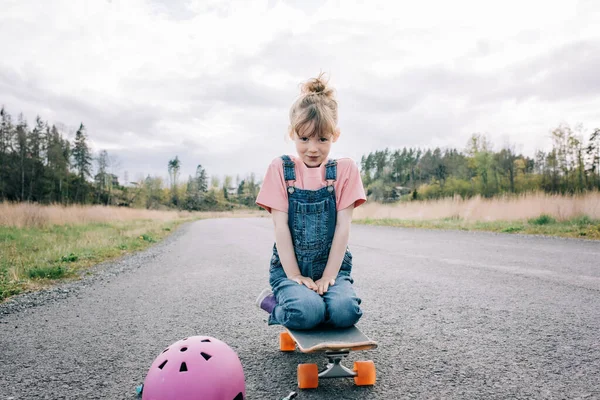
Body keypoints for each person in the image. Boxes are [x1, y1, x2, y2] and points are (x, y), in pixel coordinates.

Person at [255, 72, 367, 330]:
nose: (313, 148)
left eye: (322, 139)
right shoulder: (281, 169)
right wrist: (294, 275)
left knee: (346, 312)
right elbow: (280, 227)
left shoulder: (345, 170)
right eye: (304, 138)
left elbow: (343, 227)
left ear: (335, 135)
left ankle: (321, 306)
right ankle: (276, 305)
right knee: (306, 312)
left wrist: (329, 276)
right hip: (289, 268)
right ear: (292, 133)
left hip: (333, 269)